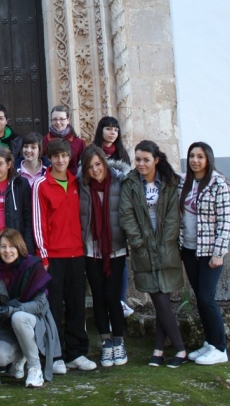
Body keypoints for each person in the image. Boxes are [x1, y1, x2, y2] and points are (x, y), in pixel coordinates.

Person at [119, 140, 187, 368]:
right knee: (159, 299)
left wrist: (163, 242)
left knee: (162, 300)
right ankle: (177, 348)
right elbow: (126, 215)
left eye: (146, 160)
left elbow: (173, 216)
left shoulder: (170, 182)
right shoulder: (129, 183)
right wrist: (140, 242)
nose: (141, 164)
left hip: (166, 247)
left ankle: (165, 349)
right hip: (143, 249)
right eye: (137, 159)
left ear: (156, 160)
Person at [31, 138, 96, 375]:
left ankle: (76, 352)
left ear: (70, 158)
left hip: (77, 253)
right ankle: (55, 354)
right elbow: (39, 223)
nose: (60, 160)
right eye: (56, 156)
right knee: (54, 306)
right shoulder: (41, 184)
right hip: (53, 257)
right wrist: (44, 257)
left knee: (77, 304)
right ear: (49, 158)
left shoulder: (78, 182)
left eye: (64, 156)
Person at [179, 142, 230, 366]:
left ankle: (220, 348)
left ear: (208, 159)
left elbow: (226, 221)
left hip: (210, 251)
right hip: (190, 249)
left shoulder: (219, 183)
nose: (195, 160)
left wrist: (219, 252)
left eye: (200, 156)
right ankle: (210, 343)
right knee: (200, 299)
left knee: (207, 298)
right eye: (192, 156)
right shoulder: (186, 182)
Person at [0, 228, 60, 388]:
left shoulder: (33, 266)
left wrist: (13, 309)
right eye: (3, 246)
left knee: (18, 317)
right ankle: (22, 356)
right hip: (8, 324)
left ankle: (35, 368)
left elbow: (41, 304)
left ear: (19, 247)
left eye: (12, 246)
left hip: (35, 320)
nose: (7, 251)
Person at [78, 145, 129, 368]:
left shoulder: (120, 182)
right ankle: (106, 343)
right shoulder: (81, 186)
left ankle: (119, 341)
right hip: (91, 249)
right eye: (90, 167)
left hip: (115, 248)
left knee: (111, 295)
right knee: (98, 296)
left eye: (98, 164)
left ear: (104, 163)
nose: (95, 170)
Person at [92, 116, 134, 317]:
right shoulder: (91, 154)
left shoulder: (123, 157)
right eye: (108, 129)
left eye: (115, 130)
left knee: (119, 260)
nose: (112, 133)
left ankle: (120, 301)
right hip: (96, 212)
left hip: (117, 215)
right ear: (101, 130)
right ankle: (103, 304)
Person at [42, 106, 84, 175]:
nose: (58, 122)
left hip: (73, 182)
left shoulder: (79, 143)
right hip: (49, 182)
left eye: (62, 119)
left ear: (68, 120)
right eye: (55, 119)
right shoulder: (44, 141)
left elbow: (83, 165)